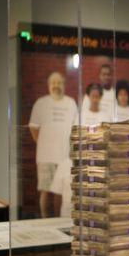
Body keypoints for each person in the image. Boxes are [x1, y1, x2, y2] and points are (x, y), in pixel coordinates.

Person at [29, 72, 77, 218]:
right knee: (45, 191)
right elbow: (33, 127)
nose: (56, 86)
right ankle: (45, 220)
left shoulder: (71, 103)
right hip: (45, 157)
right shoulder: (41, 103)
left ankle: (58, 221)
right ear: (49, 85)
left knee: (60, 192)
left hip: (64, 157)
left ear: (64, 85)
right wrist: (43, 144)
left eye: (59, 83)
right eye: (53, 83)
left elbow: (75, 128)